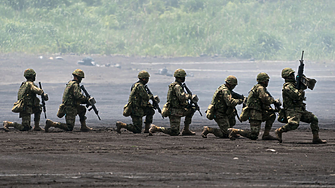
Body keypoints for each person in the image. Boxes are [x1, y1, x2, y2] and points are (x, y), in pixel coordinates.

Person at [275, 68, 326, 144]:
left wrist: (303, 81)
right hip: (292, 110)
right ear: (286, 77)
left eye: (292, 74)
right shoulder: (287, 87)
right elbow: (296, 96)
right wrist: (301, 89)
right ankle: (279, 131)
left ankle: (316, 138)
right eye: (290, 75)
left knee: (313, 119)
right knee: (294, 125)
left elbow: (305, 87)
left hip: (300, 109)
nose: (292, 76)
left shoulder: (294, 84)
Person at [229, 73, 280, 140]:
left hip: (259, 111)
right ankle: (235, 131)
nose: (268, 82)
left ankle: (266, 134)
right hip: (254, 113)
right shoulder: (260, 88)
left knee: (271, 115)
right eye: (267, 80)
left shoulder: (259, 88)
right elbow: (265, 99)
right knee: (253, 135)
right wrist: (274, 101)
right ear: (263, 81)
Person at [149, 69, 197, 136]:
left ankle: (186, 130)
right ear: (181, 77)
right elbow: (182, 97)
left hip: (179, 110)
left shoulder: (176, 85)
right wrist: (189, 96)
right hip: (174, 111)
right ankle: (156, 128)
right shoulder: (177, 86)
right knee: (174, 132)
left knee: (192, 109)